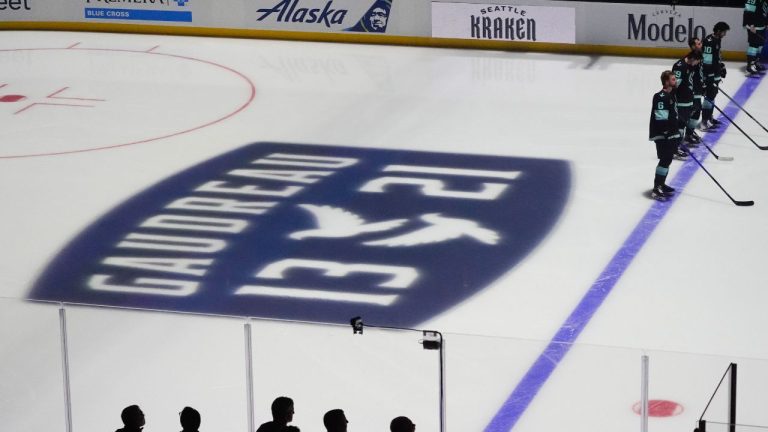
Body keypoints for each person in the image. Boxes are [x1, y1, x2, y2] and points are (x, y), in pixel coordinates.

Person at [648, 70, 681, 201]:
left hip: (670, 134)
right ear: (666, 82)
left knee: (668, 160)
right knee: (664, 160)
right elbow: (661, 118)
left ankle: (661, 183)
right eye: (673, 79)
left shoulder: (671, 95)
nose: (675, 81)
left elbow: (673, 115)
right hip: (662, 135)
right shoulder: (660, 96)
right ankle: (657, 188)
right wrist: (668, 132)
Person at [701, 22, 730, 131]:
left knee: (712, 95)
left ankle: (709, 118)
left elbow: (716, 57)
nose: (725, 34)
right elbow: (707, 62)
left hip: (715, 74)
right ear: (718, 31)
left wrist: (721, 66)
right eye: (724, 32)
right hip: (710, 75)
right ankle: (704, 121)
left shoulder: (717, 39)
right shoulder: (709, 41)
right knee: (709, 97)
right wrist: (710, 76)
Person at [672, 50, 703, 151]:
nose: (697, 63)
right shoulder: (680, 66)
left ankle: (679, 144)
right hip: (681, 101)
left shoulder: (690, 65)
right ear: (693, 58)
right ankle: (676, 147)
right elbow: (674, 85)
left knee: (683, 123)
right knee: (680, 125)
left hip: (688, 99)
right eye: (697, 61)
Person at [688, 37, 705, 144]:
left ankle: (690, 132)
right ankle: (688, 133)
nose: (700, 45)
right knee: (694, 112)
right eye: (698, 44)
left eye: (700, 43)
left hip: (698, 88)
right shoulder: (691, 58)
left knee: (696, 112)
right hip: (693, 89)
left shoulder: (699, 55)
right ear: (693, 46)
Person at [743, 0, 768, 74]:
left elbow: (765, 13)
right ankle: (749, 66)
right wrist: (751, 25)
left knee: (760, 45)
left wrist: (766, 23)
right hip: (753, 27)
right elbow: (747, 13)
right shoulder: (752, 0)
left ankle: (756, 63)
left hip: (761, 26)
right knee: (753, 46)